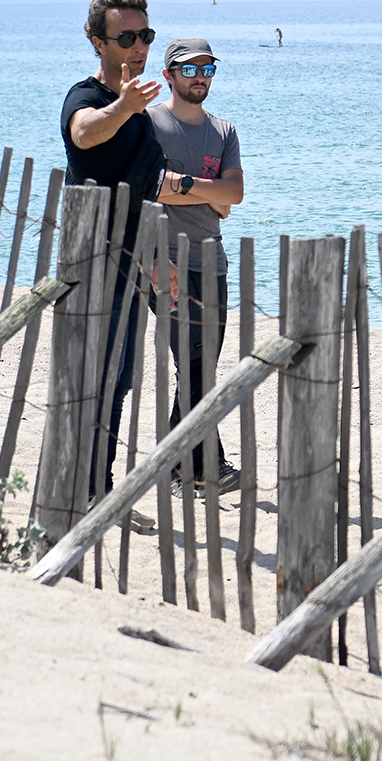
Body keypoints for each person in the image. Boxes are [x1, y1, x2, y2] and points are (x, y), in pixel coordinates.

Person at [58, 0, 200, 503]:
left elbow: (140, 193)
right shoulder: (89, 98)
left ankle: (99, 488)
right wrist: (124, 104)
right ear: (100, 43)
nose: (138, 45)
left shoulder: (138, 110)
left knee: (118, 378)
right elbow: (85, 136)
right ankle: (78, 488)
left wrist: (156, 259)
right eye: (126, 37)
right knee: (91, 374)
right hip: (92, 257)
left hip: (132, 255)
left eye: (146, 35)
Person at [146, 37, 245, 494]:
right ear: (169, 75)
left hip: (214, 262)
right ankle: (199, 468)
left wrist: (181, 184)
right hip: (165, 262)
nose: (200, 78)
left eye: (207, 70)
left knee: (199, 367)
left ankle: (187, 467)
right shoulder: (148, 123)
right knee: (195, 365)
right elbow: (148, 188)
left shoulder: (223, 131)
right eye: (190, 70)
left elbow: (234, 197)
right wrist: (207, 188)